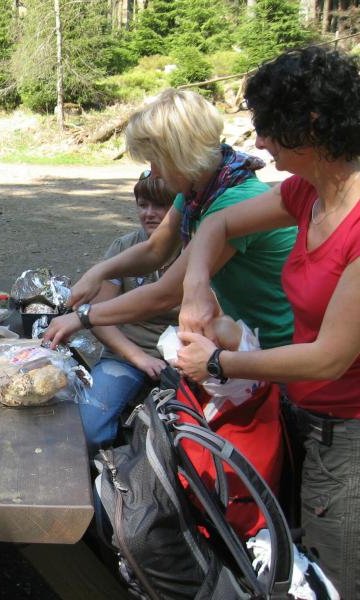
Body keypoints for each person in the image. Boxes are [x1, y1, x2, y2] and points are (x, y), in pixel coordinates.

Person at [175, 46, 360, 598]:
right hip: (305, 418)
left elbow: (329, 357)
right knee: (294, 563)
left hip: (349, 438)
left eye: (268, 128)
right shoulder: (309, 192)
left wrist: (218, 362)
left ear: (312, 125)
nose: (257, 143)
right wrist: (196, 290)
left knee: (334, 580)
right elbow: (216, 227)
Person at [43, 88, 297, 353]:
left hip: (281, 345)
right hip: (249, 336)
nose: (153, 172)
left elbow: (166, 293)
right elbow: (156, 249)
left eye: (156, 161)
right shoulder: (199, 190)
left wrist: (83, 316)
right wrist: (100, 272)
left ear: (180, 155)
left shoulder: (233, 199)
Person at [79, 171, 179, 453]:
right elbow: (98, 317)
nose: (149, 213)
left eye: (160, 205)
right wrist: (138, 357)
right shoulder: (124, 247)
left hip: (184, 360)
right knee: (88, 429)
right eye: (142, 205)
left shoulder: (195, 247)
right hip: (125, 355)